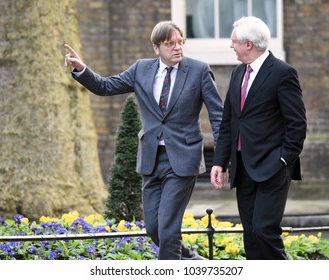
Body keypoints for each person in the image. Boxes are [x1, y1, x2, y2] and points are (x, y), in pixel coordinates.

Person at [64, 21, 223, 260]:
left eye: (180, 42)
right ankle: (189, 259)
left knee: (168, 231)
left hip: (183, 158)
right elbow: (105, 86)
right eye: (170, 44)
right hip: (151, 158)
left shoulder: (199, 71)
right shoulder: (141, 69)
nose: (177, 48)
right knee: (153, 229)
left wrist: (221, 160)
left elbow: (218, 115)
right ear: (156, 48)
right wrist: (81, 69)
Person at [210, 16, 307, 260]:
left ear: (249, 44)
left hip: (273, 166)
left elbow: (297, 124)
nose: (231, 46)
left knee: (265, 230)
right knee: (251, 235)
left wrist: (284, 159)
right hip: (243, 167)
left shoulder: (283, 73)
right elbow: (229, 123)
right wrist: (220, 162)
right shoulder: (237, 73)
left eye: (234, 42)